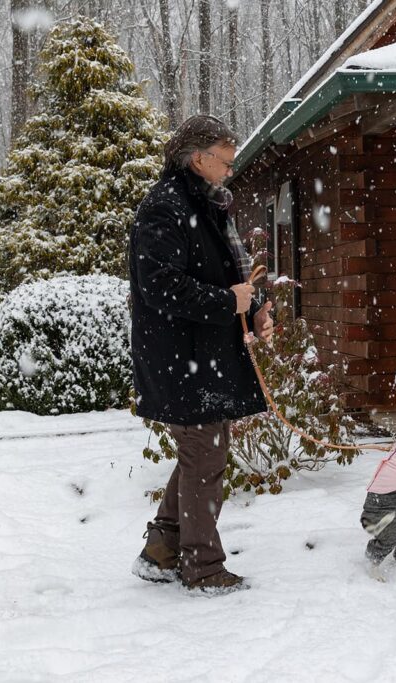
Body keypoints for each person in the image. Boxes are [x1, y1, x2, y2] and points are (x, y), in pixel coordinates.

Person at [129, 115, 274, 595]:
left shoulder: (208, 205)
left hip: (203, 355)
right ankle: (204, 569)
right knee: (205, 458)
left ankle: (161, 552)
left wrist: (253, 310)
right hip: (181, 358)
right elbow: (159, 286)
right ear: (197, 158)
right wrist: (224, 303)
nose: (230, 168)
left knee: (200, 456)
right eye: (224, 160)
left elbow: (231, 276)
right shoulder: (164, 209)